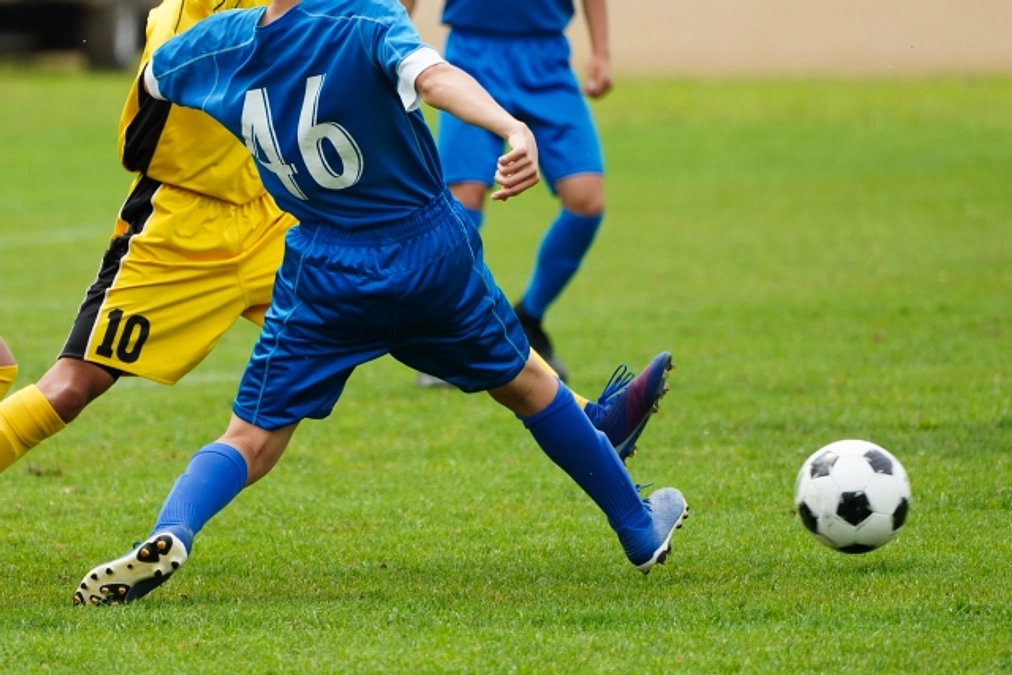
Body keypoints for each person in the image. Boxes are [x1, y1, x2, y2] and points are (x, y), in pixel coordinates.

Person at [73, 0, 688, 606]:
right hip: (426, 255)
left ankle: (172, 529)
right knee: (528, 383)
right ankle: (637, 525)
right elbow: (435, 76)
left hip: (322, 272)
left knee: (250, 439)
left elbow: (155, 77)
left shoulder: (225, 40)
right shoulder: (365, 14)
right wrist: (509, 126)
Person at [0, 0, 669, 476]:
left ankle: (594, 420)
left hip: (278, 222)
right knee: (71, 386)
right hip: (182, 229)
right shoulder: (184, 25)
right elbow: (143, 140)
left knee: (421, 314)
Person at [404, 0, 611, 382]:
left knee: (587, 200)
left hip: (548, 59)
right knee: (463, 201)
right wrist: (385, 46)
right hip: (472, 56)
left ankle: (529, 318)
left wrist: (601, 52)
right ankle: (448, 336)